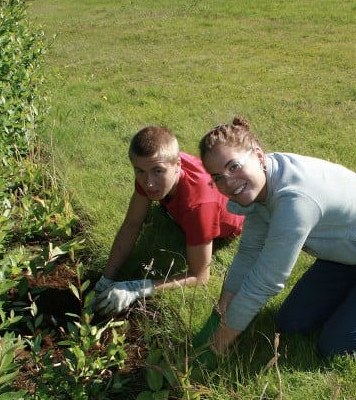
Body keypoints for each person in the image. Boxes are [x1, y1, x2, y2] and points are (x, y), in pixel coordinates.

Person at [198, 116, 356, 358]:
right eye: (218, 177)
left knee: (338, 345)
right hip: (348, 256)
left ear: (258, 155)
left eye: (234, 166)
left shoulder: (294, 199)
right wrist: (219, 315)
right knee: (291, 323)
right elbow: (249, 253)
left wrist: (220, 343)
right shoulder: (260, 185)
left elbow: (266, 281)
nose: (229, 182)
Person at [93, 126, 244, 315]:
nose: (148, 183)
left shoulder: (198, 206)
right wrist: (106, 280)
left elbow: (200, 276)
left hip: (225, 224)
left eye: (158, 171)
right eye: (139, 171)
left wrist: (137, 288)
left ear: (178, 165)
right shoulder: (152, 170)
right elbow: (132, 225)